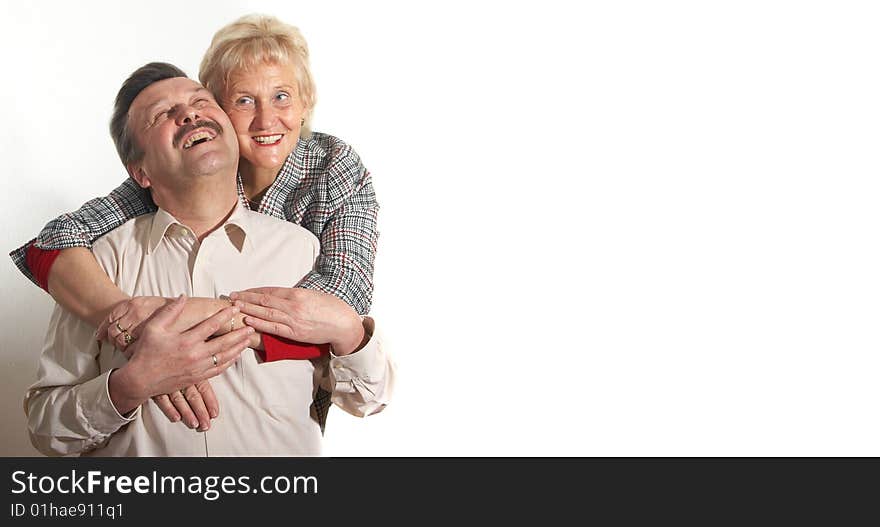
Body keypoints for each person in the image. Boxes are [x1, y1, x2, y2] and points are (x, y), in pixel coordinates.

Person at [9, 14, 381, 431]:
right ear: (219, 110)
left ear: (306, 102)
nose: (266, 120)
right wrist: (128, 325)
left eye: (282, 96)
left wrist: (174, 317)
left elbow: (345, 303)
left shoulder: (332, 169)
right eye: (243, 101)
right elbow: (51, 243)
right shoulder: (172, 179)